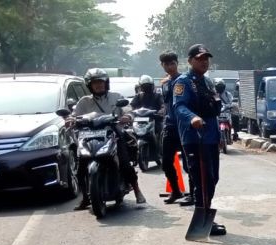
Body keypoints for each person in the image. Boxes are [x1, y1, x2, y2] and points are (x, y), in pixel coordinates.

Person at [69, 68, 147, 207]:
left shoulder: (116, 97)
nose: (98, 85)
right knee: (80, 166)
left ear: (106, 83)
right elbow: (74, 115)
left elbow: (129, 110)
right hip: (88, 136)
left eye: (101, 82)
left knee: (124, 162)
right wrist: (70, 120)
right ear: (90, 86)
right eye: (94, 83)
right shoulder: (84, 101)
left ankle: (137, 190)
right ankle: (85, 198)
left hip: (113, 134)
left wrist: (127, 116)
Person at [173, 44, 226, 237]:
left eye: (206, 58)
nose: (204, 62)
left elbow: (213, 112)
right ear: (190, 61)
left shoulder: (209, 83)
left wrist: (219, 136)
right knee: (201, 179)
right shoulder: (183, 82)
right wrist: (192, 118)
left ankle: (206, 213)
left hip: (210, 137)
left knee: (212, 178)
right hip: (194, 138)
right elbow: (179, 107)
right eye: (200, 58)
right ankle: (202, 219)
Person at [158, 51, 192, 205]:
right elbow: (165, 104)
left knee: (188, 162)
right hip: (169, 126)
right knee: (166, 161)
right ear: (162, 65)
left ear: (177, 63)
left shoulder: (185, 80)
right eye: (166, 64)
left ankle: (193, 193)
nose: (170, 67)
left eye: (172, 63)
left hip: (184, 126)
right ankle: (176, 191)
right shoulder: (164, 83)